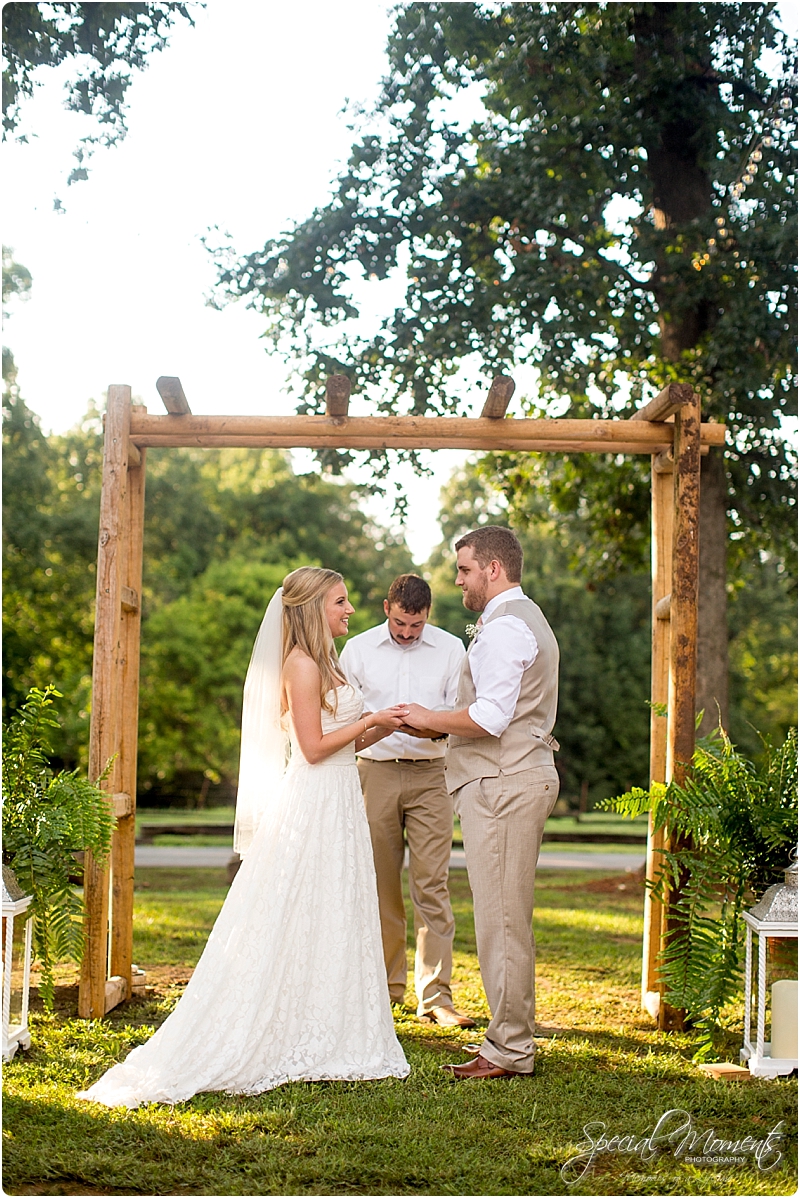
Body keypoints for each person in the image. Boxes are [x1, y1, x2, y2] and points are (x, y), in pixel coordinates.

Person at [78, 567, 410, 1107]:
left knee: (331, 909)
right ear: (310, 609)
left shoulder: (326, 661)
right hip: (314, 798)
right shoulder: (301, 665)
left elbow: (338, 739)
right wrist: (368, 720)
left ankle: (329, 1023)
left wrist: (378, 725)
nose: (350, 610)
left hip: (340, 801)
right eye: (341, 602)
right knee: (290, 911)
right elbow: (312, 747)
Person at [402, 527, 559, 1080]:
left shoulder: (506, 628)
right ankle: (509, 1041)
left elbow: (489, 718)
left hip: (505, 783)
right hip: (509, 779)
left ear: (493, 569)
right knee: (504, 919)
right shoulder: (517, 621)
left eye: (465, 569)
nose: (459, 580)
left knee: (502, 922)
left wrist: (427, 718)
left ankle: (510, 1050)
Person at [340, 574, 474, 1028]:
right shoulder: (356, 650)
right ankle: (386, 989)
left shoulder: (452, 650)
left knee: (432, 885)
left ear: (427, 615)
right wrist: (380, 723)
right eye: (400, 623)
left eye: (415, 626)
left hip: (431, 775)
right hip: (373, 772)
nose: (406, 633)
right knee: (379, 884)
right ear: (386, 608)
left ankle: (436, 996)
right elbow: (342, 717)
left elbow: (463, 716)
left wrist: (423, 724)